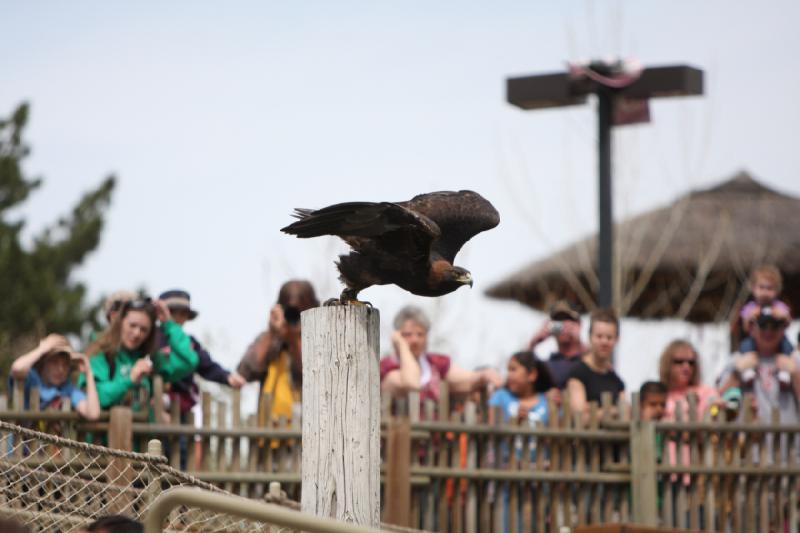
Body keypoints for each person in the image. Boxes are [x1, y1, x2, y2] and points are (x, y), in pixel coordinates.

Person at [80, 297, 198, 413]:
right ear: (120, 322)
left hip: (143, 431)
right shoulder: (100, 353)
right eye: (132, 325)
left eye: (144, 329)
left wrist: (168, 323)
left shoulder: (151, 358)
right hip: (108, 430)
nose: (137, 333)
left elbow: (188, 361)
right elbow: (95, 398)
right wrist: (130, 379)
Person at [380, 306, 503, 404]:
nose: (415, 340)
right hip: (397, 434)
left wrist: (485, 374)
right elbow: (412, 383)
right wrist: (402, 346)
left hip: (434, 435)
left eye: (420, 334)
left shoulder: (435, 363)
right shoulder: (387, 367)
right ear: (397, 335)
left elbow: (469, 380)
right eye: (408, 334)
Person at [237, 280, 318, 424]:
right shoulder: (269, 338)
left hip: (309, 430)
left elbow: (312, 377)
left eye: (300, 311)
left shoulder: (321, 341)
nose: (295, 316)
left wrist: (294, 340)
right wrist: (271, 332)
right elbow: (245, 373)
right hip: (267, 435)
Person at [158, 289, 245, 417]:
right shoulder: (153, 339)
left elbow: (207, 366)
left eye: (184, 314)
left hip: (183, 406)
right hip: (155, 404)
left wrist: (227, 377)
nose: (179, 318)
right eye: (174, 313)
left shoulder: (190, 343)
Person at [719, 304, 800, 423]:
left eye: (774, 326)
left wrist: (795, 375)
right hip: (747, 439)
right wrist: (736, 375)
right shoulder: (737, 360)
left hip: (788, 440)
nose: (768, 331)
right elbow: (717, 400)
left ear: (782, 330)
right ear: (752, 329)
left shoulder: (795, 360)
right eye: (763, 326)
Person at [10, 334, 100, 421]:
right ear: (43, 362)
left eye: (65, 364)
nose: (61, 369)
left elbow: (93, 414)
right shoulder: (32, 379)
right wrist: (42, 349)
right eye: (54, 362)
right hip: (24, 436)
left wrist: (88, 372)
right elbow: (17, 368)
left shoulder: (67, 389)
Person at [566, 308, 625, 418]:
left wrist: (593, 409)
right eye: (599, 336)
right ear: (590, 337)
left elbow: (626, 412)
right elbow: (580, 418)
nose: (604, 342)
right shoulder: (578, 373)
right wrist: (613, 411)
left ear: (616, 340)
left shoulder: (616, 381)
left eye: (609, 337)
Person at [731, 265, 792, 355]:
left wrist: (783, 316)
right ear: (753, 288)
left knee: (788, 347)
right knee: (745, 346)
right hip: (756, 340)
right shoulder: (750, 307)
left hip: (777, 340)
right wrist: (750, 318)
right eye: (761, 287)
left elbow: (788, 323)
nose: (765, 292)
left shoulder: (779, 306)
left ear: (777, 290)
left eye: (769, 288)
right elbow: (745, 328)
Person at [528, 300, 586, 389]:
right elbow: (524, 372)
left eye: (567, 320)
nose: (562, 326)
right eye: (557, 321)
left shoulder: (587, 359)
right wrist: (534, 343)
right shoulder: (548, 365)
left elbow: (598, 365)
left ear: (578, 324)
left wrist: (578, 340)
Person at [489, 351, 554, 426]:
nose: (508, 375)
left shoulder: (548, 401)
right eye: (508, 370)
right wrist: (514, 423)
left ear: (532, 374)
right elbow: (492, 433)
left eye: (513, 369)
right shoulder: (500, 397)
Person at [658, 340, 718, 421]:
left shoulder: (706, 392)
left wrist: (714, 410)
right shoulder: (658, 393)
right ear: (667, 363)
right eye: (679, 361)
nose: (686, 367)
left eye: (691, 362)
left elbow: (715, 412)